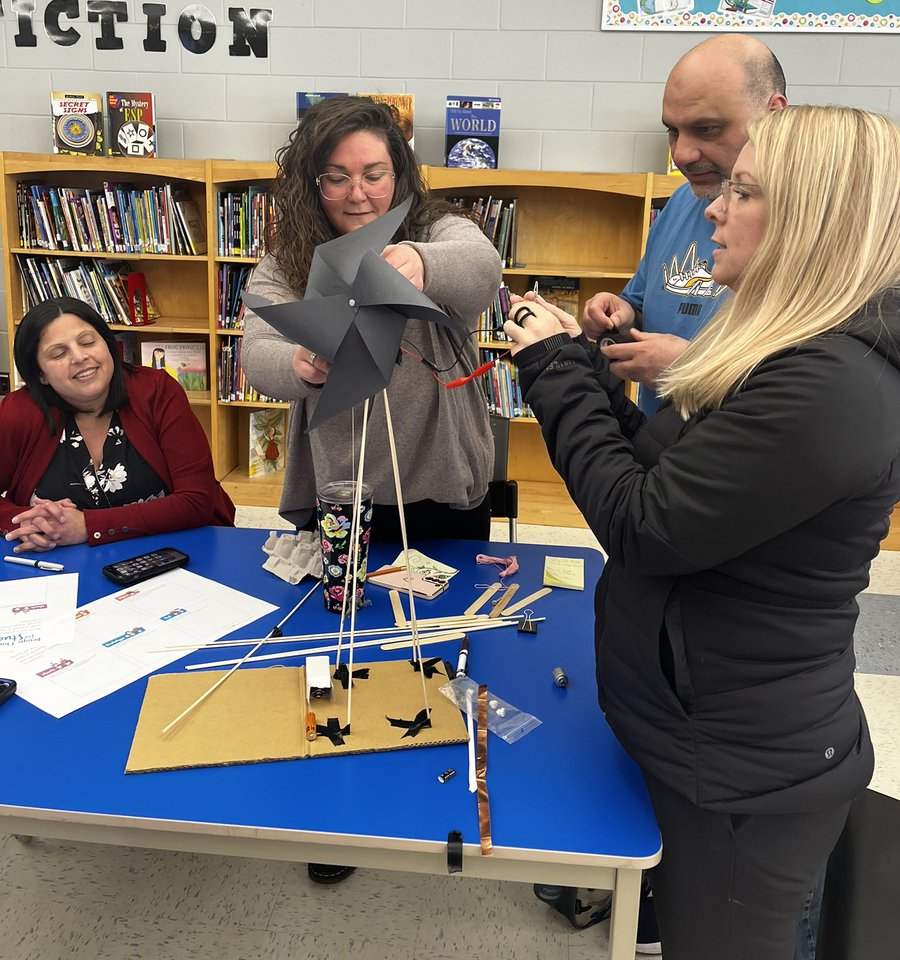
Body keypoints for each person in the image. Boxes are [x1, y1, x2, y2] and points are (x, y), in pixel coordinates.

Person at [505, 105, 900, 960]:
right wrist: (590, 375)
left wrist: (550, 372)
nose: (713, 208)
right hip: (707, 733)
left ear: (811, 221)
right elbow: (674, 473)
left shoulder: (829, 386)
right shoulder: (795, 351)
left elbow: (645, 523)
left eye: (744, 191)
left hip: (745, 772)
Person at [240, 96, 502, 883]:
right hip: (343, 489)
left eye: (375, 173)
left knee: (443, 634)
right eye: (337, 177)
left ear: (402, 169)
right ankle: (337, 800)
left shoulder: (438, 227)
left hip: (442, 480)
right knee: (336, 645)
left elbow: (481, 271)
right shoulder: (292, 258)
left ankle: (432, 775)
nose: (359, 193)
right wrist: (301, 365)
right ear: (311, 183)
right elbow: (257, 346)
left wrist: (418, 263)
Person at [583, 35, 787, 414]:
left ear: (772, 114)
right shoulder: (683, 200)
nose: (681, 155)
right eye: (673, 131)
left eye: (707, 129)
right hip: (659, 448)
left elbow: (815, 386)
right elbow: (645, 302)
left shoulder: (813, 226)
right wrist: (622, 315)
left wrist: (691, 367)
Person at [0, 298, 235, 551]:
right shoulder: (19, 412)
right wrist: (29, 523)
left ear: (109, 344)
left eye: (88, 342)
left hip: (170, 553)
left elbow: (196, 500)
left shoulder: (157, 391)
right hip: (58, 566)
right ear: (40, 375)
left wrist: (88, 526)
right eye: (59, 353)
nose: (79, 357)